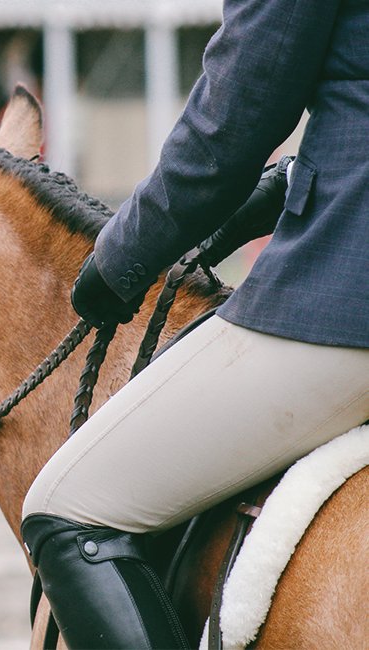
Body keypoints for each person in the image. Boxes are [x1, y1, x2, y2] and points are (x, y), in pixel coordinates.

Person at [20, 1, 369, 648]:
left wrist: (120, 257)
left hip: (350, 295)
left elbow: (230, 124)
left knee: (67, 511)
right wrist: (288, 181)